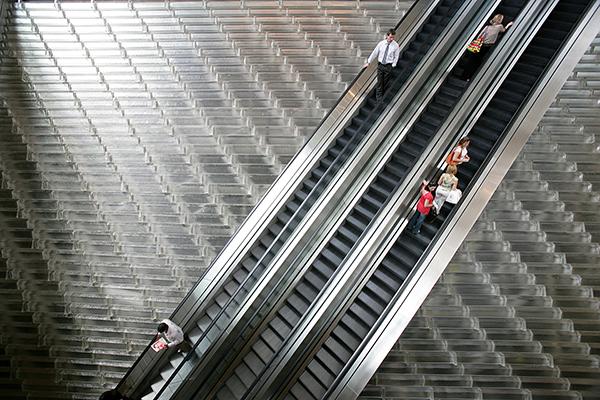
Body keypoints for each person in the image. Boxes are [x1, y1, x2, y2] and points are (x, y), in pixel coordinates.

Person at [460, 14, 513, 80]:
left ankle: (464, 76)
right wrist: (509, 24)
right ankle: (470, 77)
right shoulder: (500, 26)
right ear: (500, 20)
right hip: (486, 47)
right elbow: (504, 30)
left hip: (479, 45)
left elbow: (479, 36)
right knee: (477, 63)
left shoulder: (487, 27)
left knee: (471, 61)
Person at [363, 29, 400, 103]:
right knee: (380, 82)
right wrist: (368, 62)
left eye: (393, 37)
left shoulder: (395, 45)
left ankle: (382, 95)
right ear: (387, 36)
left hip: (388, 66)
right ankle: (379, 99)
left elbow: (396, 56)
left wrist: (393, 65)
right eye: (390, 37)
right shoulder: (381, 44)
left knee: (385, 82)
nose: (391, 39)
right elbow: (375, 53)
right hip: (380, 65)